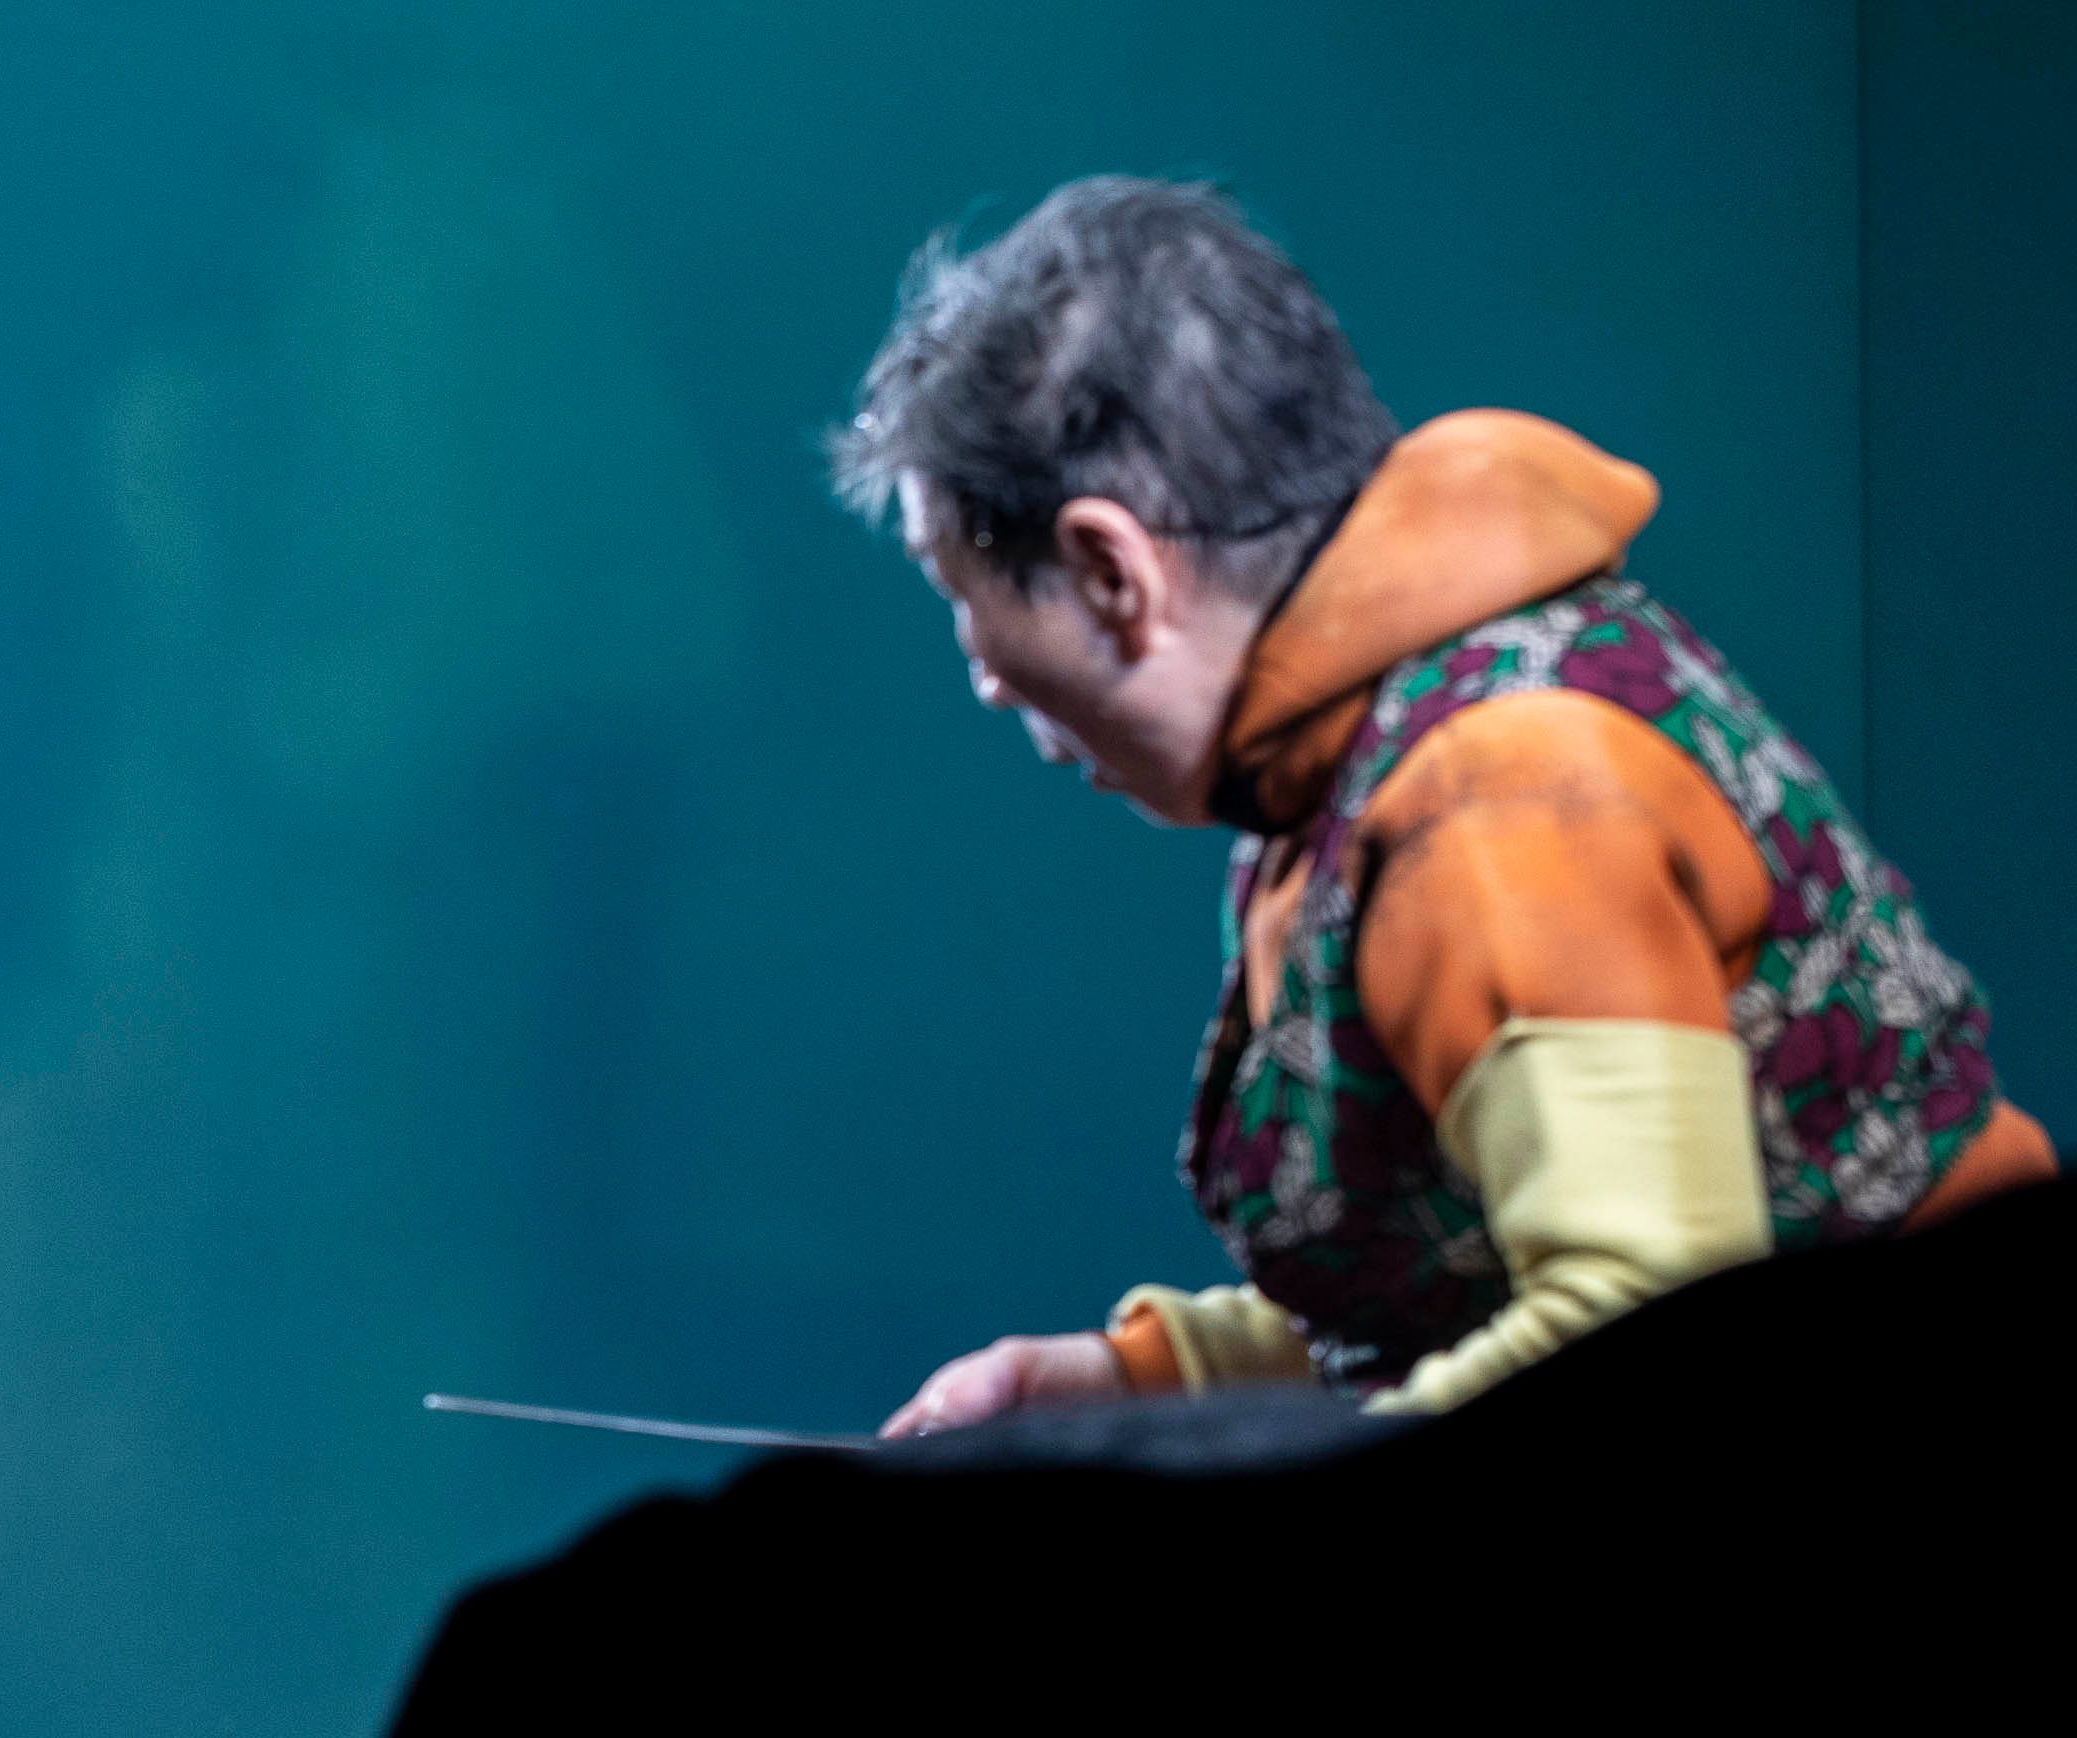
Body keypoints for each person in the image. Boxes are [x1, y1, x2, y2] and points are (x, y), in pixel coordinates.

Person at [843, 180, 2052, 1436]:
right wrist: (1138, 1384)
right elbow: (1479, 1273)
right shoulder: (1359, 758)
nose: (986, 680)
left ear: (1111, 571)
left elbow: (1635, 1321)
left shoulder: (1501, 798)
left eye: (964, 595)